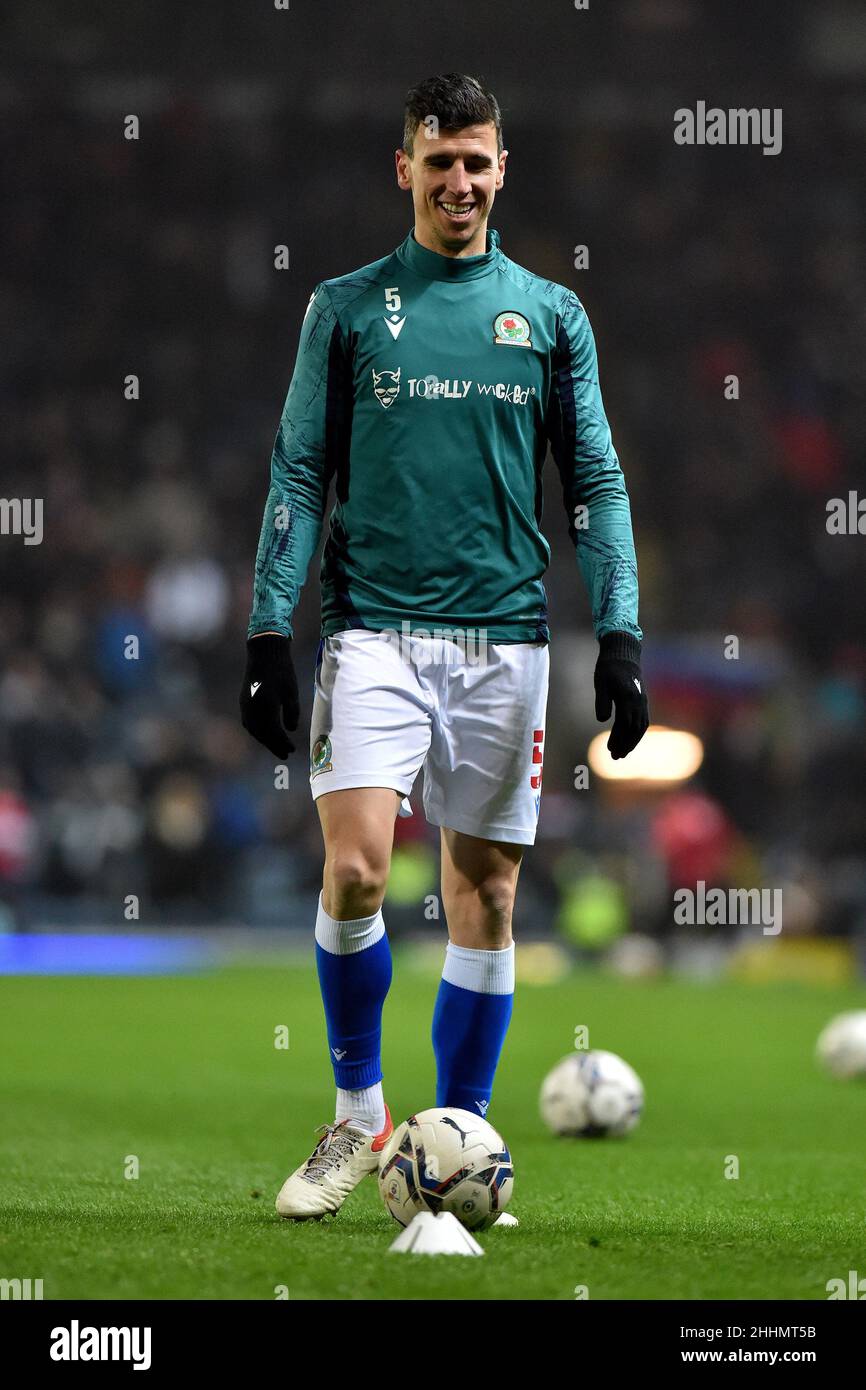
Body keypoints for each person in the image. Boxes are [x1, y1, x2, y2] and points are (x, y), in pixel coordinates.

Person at [240, 72, 649, 1220]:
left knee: (486, 899)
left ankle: (461, 1141)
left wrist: (618, 632)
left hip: (507, 641)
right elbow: (296, 473)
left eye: (477, 161)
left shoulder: (551, 316)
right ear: (404, 168)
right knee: (358, 868)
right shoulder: (346, 308)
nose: (458, 181)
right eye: (439, 160)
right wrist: (270, 627)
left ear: (501, 170)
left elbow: (598, 482)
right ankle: (358, 1113)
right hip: (371, 631)